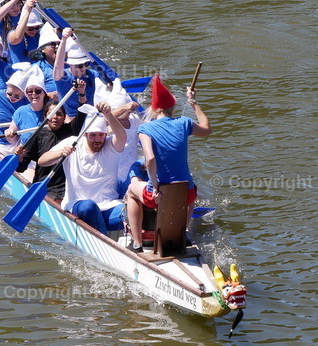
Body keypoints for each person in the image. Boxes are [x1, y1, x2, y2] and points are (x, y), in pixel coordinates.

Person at [124, 75, 211, 253]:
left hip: (157, 196)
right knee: (190, 189)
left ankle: (137, 243)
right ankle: (183, 233)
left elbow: (150, 159)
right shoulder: (184, 123)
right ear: (173, 106)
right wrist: (194, 102)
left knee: (131, 191)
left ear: (154, 109)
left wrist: (155, 187)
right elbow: (206, 129)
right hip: (185, 193)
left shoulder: (145, 128)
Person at [37, 101, 127, 235]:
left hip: (108, 206)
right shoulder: (73, 142)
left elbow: (122, 136)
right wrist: (60, 153)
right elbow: (41, 161)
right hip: (78, 205)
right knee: (89, 206)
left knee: (134, 212)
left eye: (101, 135)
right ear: (85, 135)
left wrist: (108, 114)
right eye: (93, 135)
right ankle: (104, 244)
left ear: (105, 135)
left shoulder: (111, 145)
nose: (97, 140)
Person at [16, 102, 87, 200]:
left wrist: (81, 93)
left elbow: (82, 112)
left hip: (67, 186)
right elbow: (20, 168)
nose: (55, 117)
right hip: (45, 185)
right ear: (45, 116)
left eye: (59, 114)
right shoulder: (37, 135)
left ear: (64, 117)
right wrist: (20, 156)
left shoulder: (71, 130)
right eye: (51, 113)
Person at [53, 28, 97, 117]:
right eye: (80, 65)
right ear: (70, 64)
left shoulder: (92, 74)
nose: (83, 68)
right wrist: (64, 40)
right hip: (70, 116)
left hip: (91, 115)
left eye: (86, 64)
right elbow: (58, 63)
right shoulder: (63, 76)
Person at [5, 66, 48, 144]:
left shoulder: (51, 110)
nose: (34, 94)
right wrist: (9, 135)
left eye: (38, 91)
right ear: (26, 94)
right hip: (26, 152)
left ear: (44, 93)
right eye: (30, 91)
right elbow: (14, 141)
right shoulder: (20, 111)